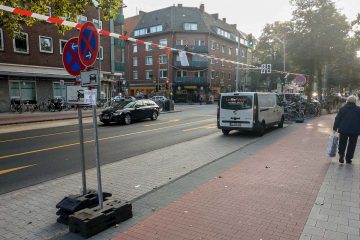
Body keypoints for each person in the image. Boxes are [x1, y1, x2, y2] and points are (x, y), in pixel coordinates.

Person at [333, 95, 360, 164]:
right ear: (355, 101)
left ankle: (341, 155)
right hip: (355, 130)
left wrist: (335, 128)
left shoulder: (343, 108)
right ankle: (348, 158)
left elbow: (337, 118)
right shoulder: (358, 109)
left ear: (347, 101)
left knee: (342, 142)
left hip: (343, 129)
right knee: (352, 144)